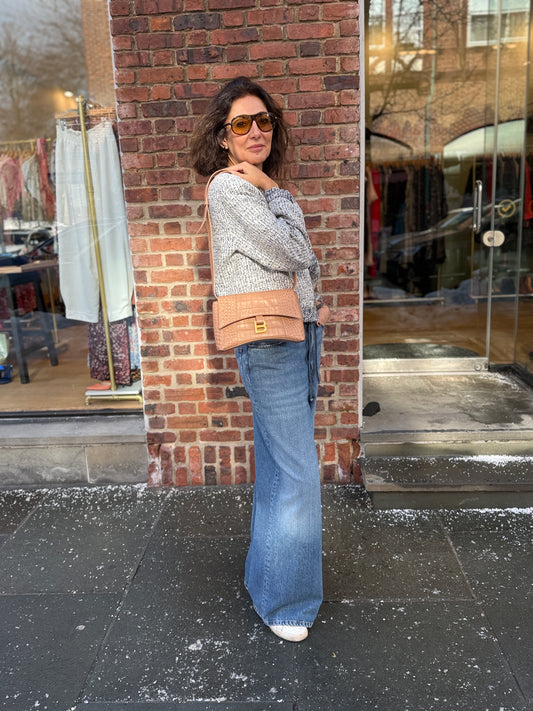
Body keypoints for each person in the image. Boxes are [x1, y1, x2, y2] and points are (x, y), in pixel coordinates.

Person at [190, 76, 330, 643]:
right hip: (271, 340)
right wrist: (275, 190)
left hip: (296, 333)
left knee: (279, 466)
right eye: (241, 123)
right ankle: (288, 604)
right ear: (223, 137)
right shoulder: (232, 188)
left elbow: (299, 256)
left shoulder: (259, 189)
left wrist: (272, 190)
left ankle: (266, 580)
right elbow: (295, 251)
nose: (255, 132)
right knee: (297, 472)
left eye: (264, 121)